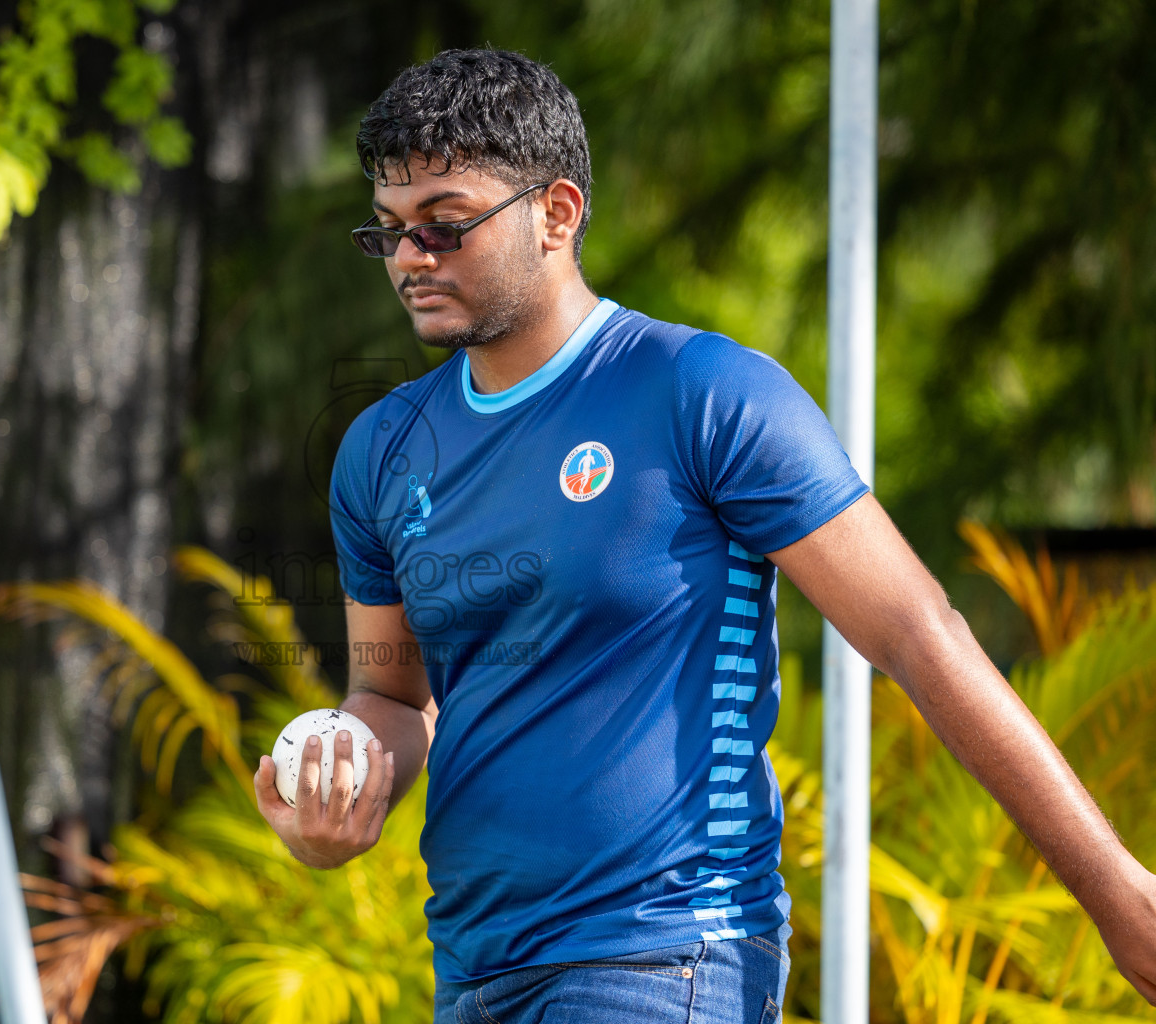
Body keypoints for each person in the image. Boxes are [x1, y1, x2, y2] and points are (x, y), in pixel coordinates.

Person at [251, 49, 1156, 1023]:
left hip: (665, 957)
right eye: (387, 231)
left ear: (556, 213)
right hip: (470, 970)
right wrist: (341, 800)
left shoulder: (703, 393)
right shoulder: (384, 449)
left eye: (444, 224)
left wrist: (1117, 890)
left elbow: (916, 632)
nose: (409, 258)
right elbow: (392, 692)